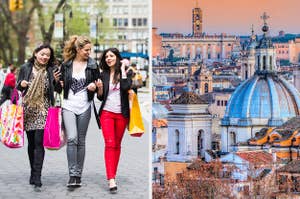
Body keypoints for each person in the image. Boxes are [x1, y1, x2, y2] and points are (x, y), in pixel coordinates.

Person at [55, 35, 100, 188]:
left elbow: (99, 86)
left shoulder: (93, 65)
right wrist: (57, 82)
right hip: (68, 105)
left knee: (81, 141)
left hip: (85, 106)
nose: (89, 53)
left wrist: (95, 86)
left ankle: (78, 175)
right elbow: (59, 88)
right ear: (78, 49)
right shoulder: (66, 65)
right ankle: (72, 173)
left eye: (90, 50)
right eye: (86, 50)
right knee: (72, 138)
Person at [17, 43, 59, 191]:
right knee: (31, 144)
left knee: (39, 143)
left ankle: (37, 176)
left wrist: (55, 80)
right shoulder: (25, 68)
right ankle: (33, 172)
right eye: (42, 54)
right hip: (28, 109)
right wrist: (21, 84)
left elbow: (59, 89)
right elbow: (18, 87)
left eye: (47, 55)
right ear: (35, 53)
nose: (45, 57)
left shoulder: (51, 70)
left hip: (43, 109)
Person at [95, 48, 132, 194]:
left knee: (117, 144)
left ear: (117, 57)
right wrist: (99, 90)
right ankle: (111, 179)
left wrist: (122, 69)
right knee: (109, 143)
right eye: (106, 57)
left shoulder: (127, 72)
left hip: (122, 114)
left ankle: (113, 174)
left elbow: (125, 87)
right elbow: (100, 97)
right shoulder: (103, 74)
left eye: (111, 56)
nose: (108, 59)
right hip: (107, 113)